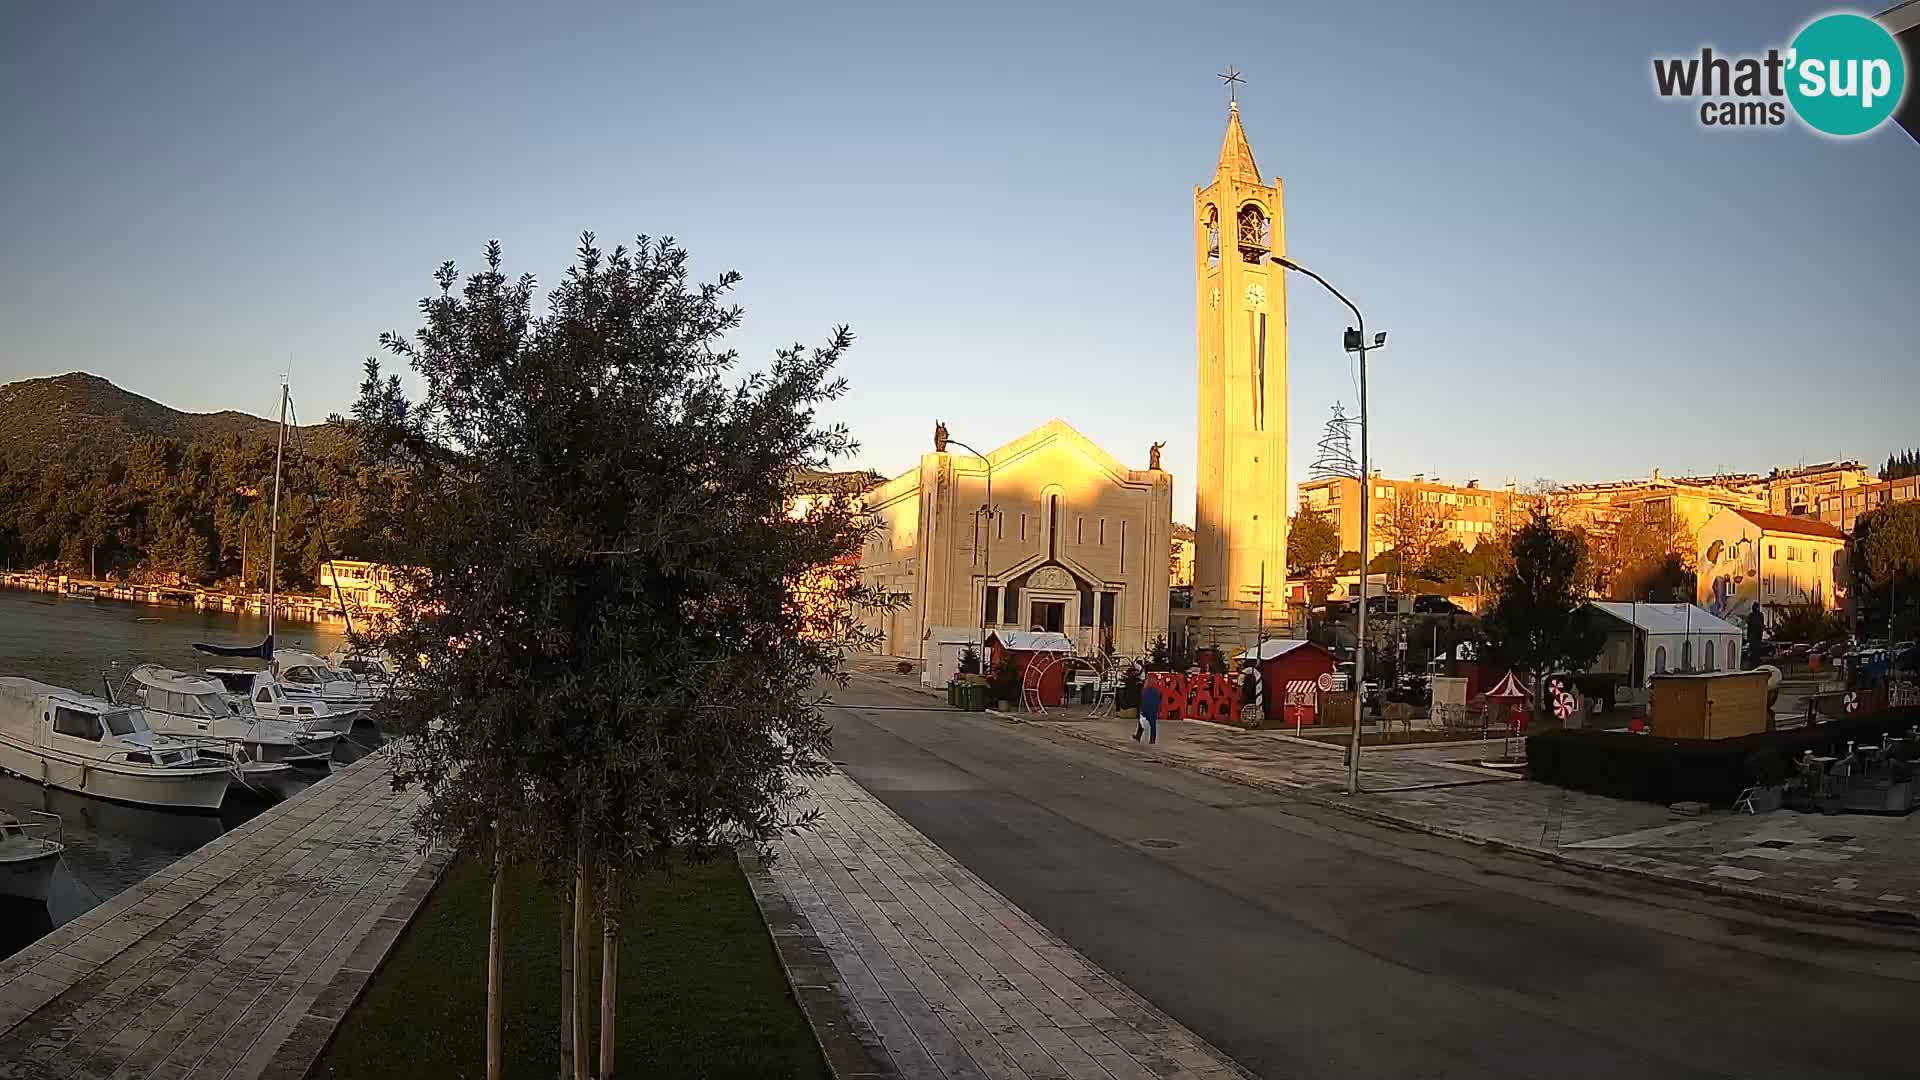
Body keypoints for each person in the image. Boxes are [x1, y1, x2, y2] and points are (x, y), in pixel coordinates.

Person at [1135, 674, 1161, 745]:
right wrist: (1158, 710)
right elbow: (1158, 701)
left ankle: (1138, 736)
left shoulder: (1145, 690)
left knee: (1141, 723)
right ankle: (1152, 739)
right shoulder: (1156, 690)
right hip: (1153, 710)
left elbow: (1143, 700)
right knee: (1153, 725)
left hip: (1145, 709)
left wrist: (1141, 709)